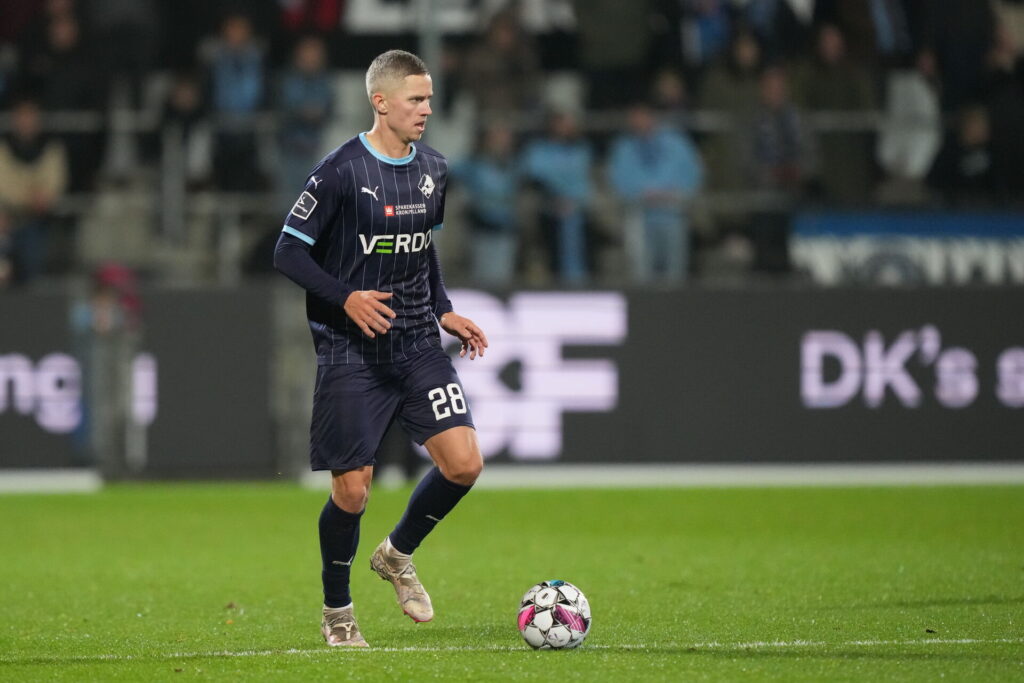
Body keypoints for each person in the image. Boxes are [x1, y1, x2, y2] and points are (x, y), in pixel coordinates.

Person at [273, 49, 488, 649]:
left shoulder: (434, 169)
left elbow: (423, 249)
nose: (426, 109)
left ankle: (396, 554)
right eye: (416, 99)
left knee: (465, 464)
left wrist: (443, 308)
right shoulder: (339, 170)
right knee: (352, 490)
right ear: (380, 101)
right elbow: (287, 252)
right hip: (351, 350)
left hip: (418, 342)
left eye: (429, 99)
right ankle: (337, 612)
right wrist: (345, 298)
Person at [608, 104, 704, 284]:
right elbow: (618, 179)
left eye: (642, 116)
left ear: (652, 116)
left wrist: (674, 194)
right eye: (634, 117)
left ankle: (675, 310)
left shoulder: (676, 142)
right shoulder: (624, 147)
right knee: (641, 273)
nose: (638, 122)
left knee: (675, 274)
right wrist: (643, 194)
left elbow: (693, 173)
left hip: (673, 214)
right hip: (640, 216)